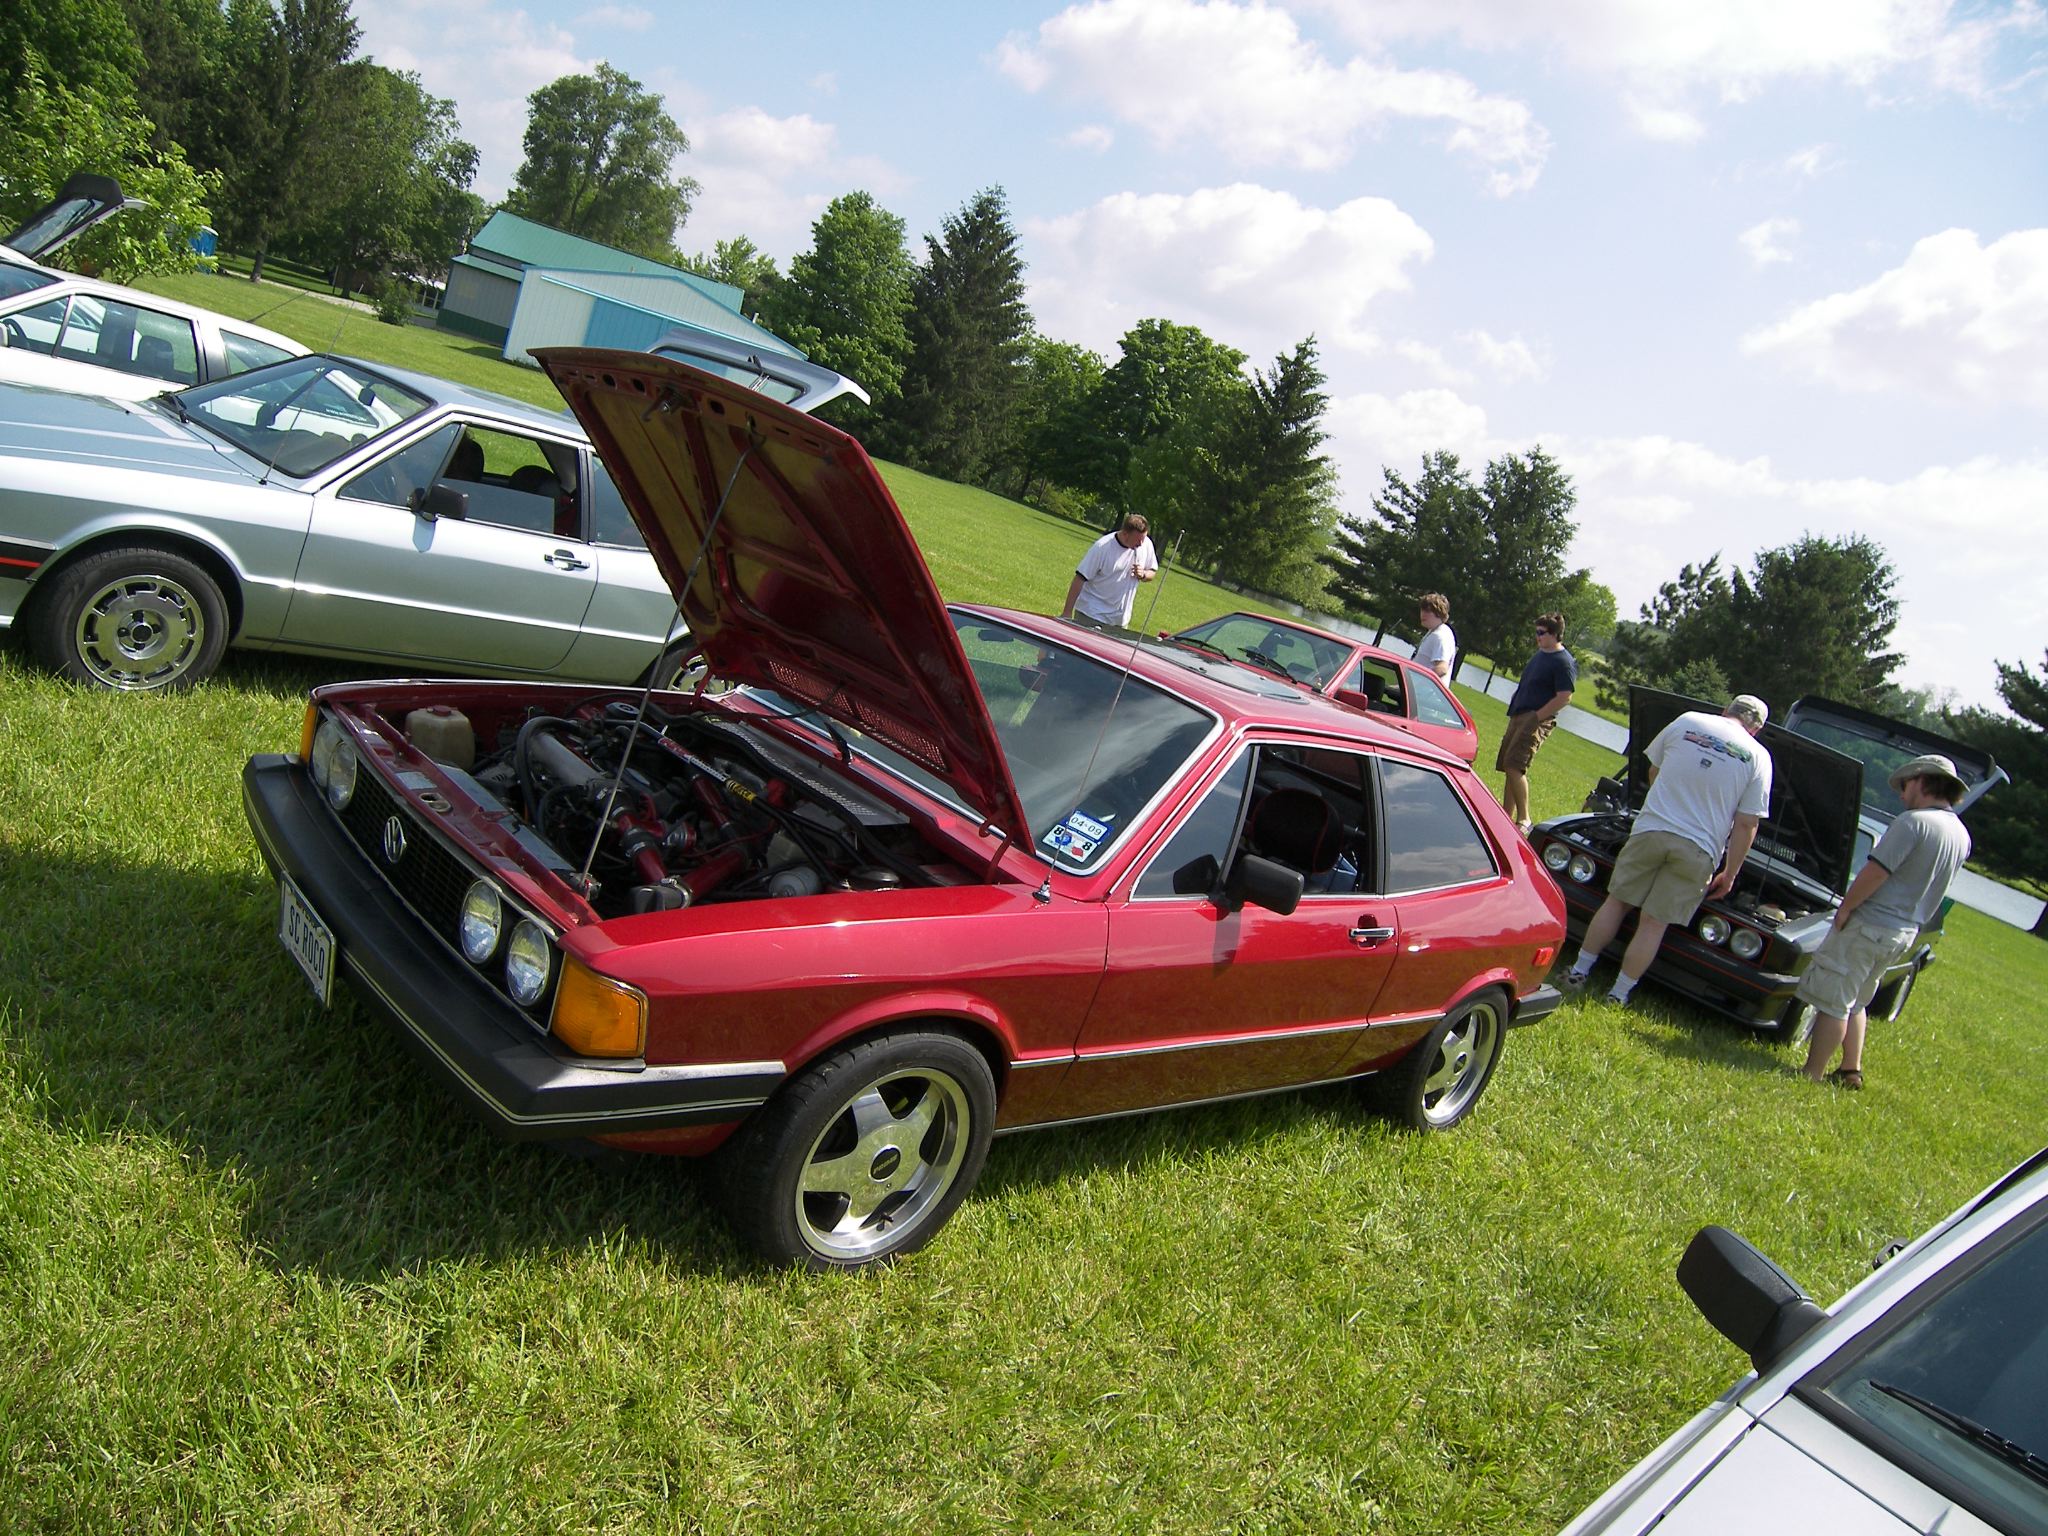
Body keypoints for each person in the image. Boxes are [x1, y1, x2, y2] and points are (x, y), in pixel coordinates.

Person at [1559, 695, 1773, 1005]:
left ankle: (1579, 971)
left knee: (1616, 902)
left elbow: (1653, 771)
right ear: (1757, 729)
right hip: (1699, 848)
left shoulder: (1688, 721)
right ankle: (1618, 994)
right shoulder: (1759, 757)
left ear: (1726, 710)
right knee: (1654, 922)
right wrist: (1730, 873)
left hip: (1652, 828)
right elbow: (1747, 823)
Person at [1799, 754, 1972, 1089]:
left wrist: (1846, 908)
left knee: (1834, 999)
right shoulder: (1961, 835)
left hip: (1871, 924)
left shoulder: (1913, 822)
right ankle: (1850, 1069)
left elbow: (1877, 872)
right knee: (1858, 999)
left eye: (1904, 786)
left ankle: (1812, 1072)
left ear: (1922, 780)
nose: (1902, 795)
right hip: (1904, 931)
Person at [1496, 612, 1575, 834]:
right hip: (1519, 714)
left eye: (1541, 633)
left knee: (1516, 765)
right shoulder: (1540, 654)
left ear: (1555, 634)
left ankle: (1524, 819)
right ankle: (1506, 816)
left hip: (1536, 720)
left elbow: (1565, 696)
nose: (1537, 637)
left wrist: (1537, 717)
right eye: (1537, 632)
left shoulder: (1563, 662)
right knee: (1508, 765)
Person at [1061, 514, 1158, 629]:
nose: (1141, 544)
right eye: (1138, 540)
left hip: (1120, 621)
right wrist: (1067, 613)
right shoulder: (1103, 547)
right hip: (1092, 614)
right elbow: (1080, 578)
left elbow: (1152, 571)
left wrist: (1143, 574)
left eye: (1143, 538)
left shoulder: (1146, 544)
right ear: (1125, 534)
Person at [1413, 593, 1456, 682]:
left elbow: (1442, 668)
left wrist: (1418, 683)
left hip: (1425, 690)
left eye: (1428, 611)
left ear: (1439, 613)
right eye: (1422, 609)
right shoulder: (1434, 631)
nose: (1423, 614)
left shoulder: (1440, 636)